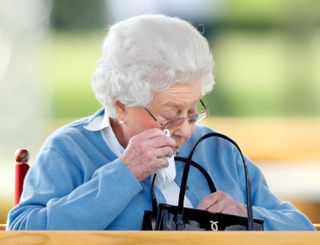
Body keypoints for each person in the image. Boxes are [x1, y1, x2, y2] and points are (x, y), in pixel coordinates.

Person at [7, 14, 315, 230]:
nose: (184, 127)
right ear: (120, 104)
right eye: (170, 114)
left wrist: (247, 216)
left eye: (192, 110)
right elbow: (23, 231)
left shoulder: (218, 151)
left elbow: (300, 229)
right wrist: (123, 174)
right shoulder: (70, 149)